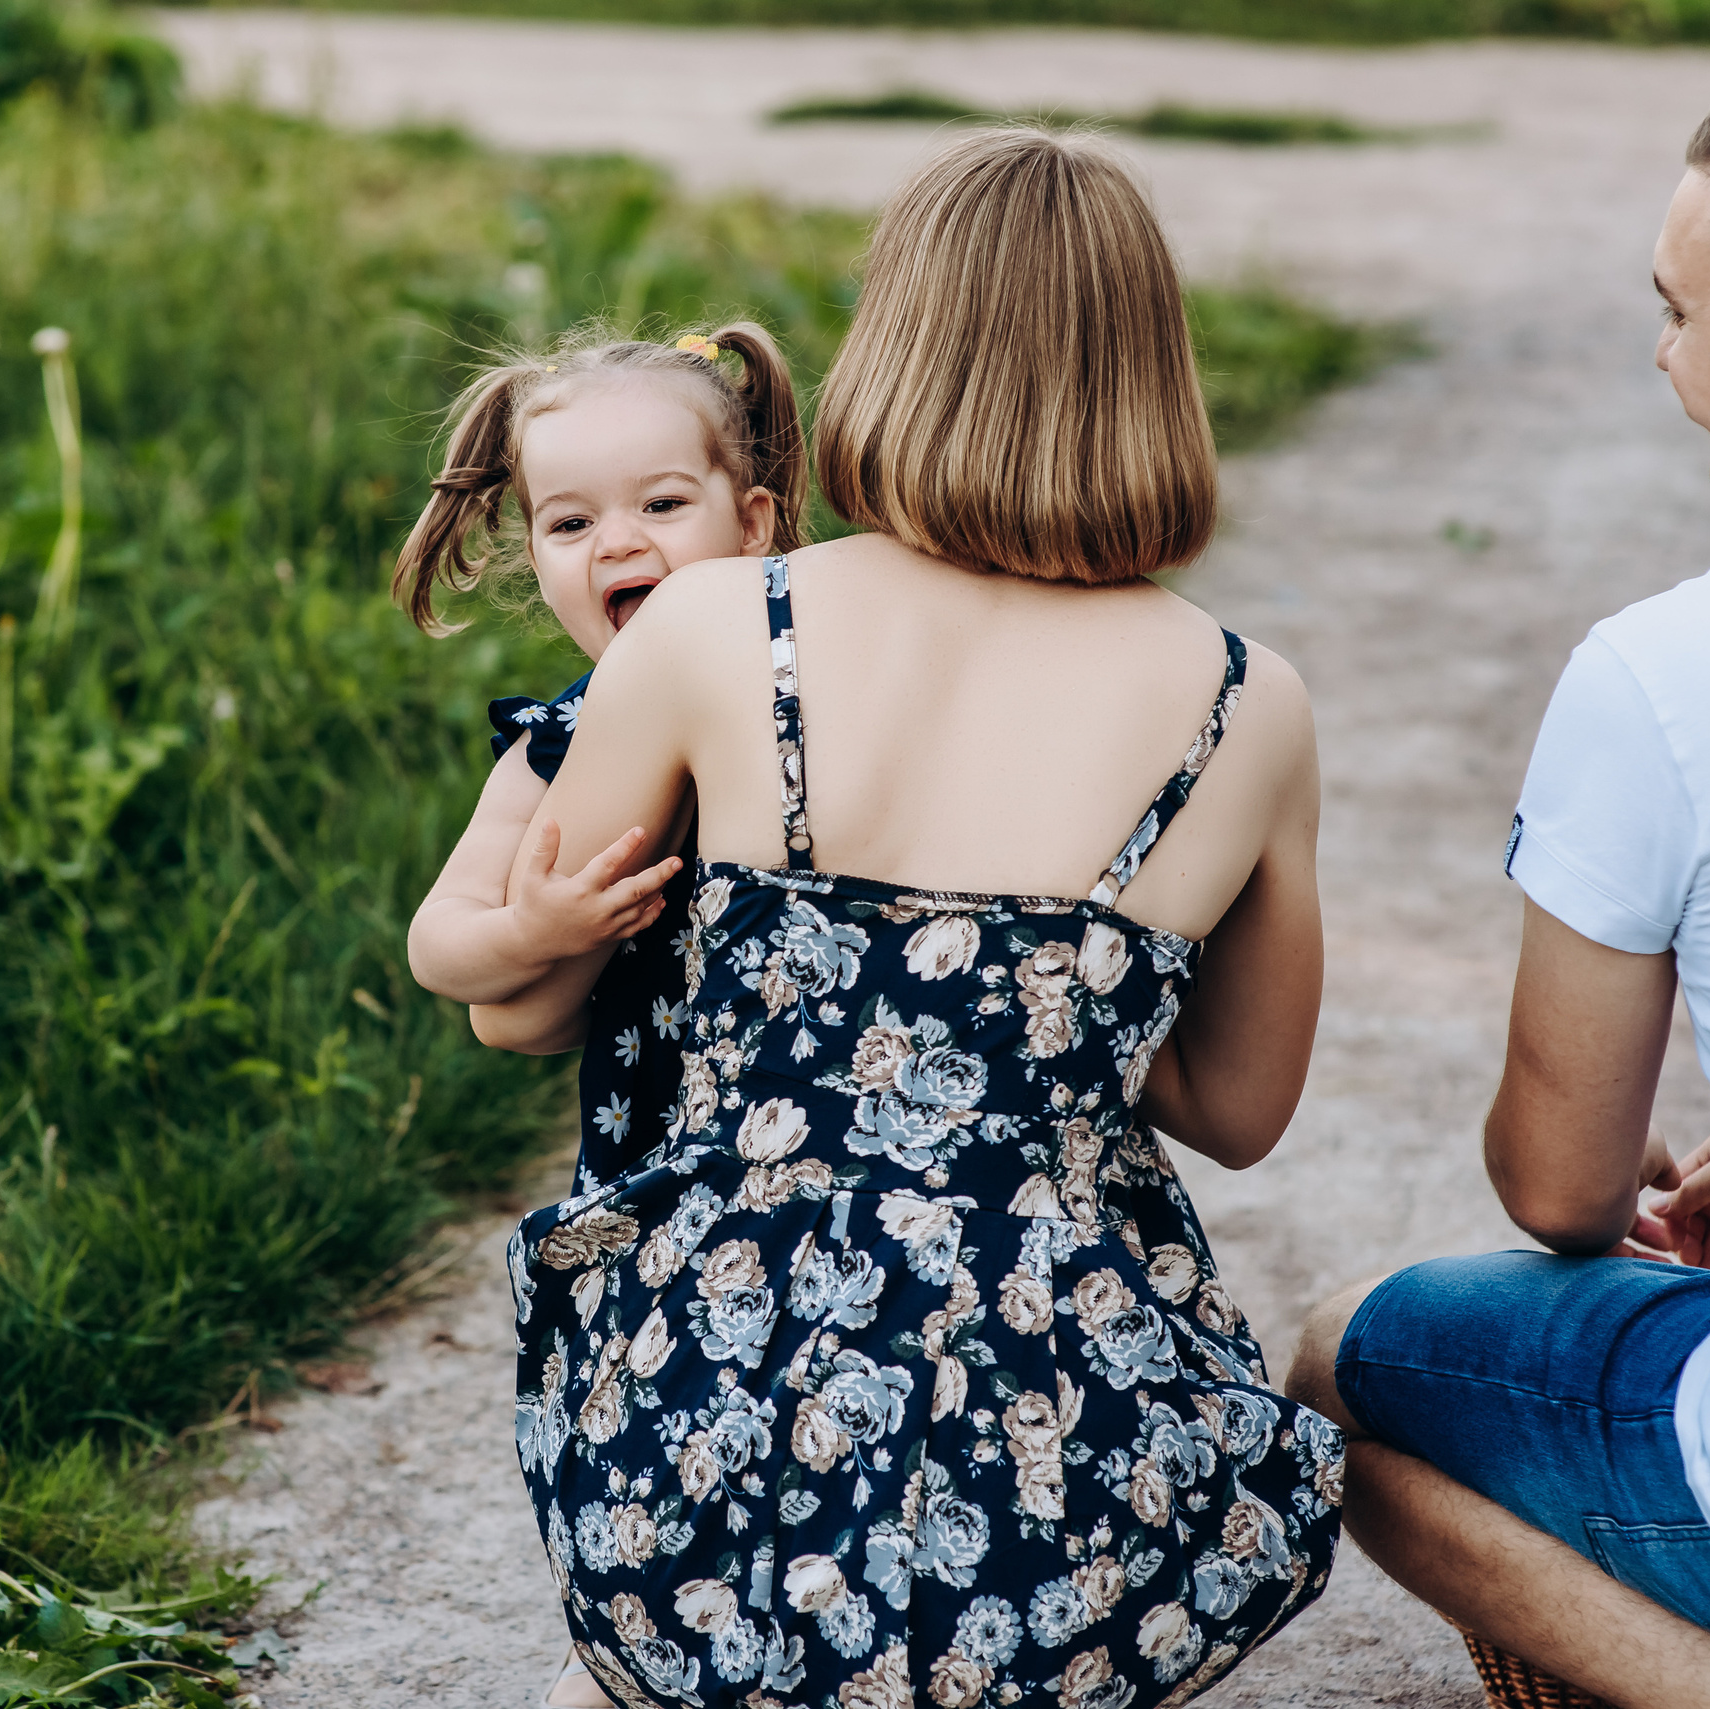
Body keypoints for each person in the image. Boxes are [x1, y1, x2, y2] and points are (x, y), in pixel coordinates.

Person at [474, 127, 1340, 1709]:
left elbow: (520, 1002)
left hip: (696, 1463)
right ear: (1156, 376)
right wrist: (1023, 1014)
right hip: (1072, 1513)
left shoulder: (726, 625)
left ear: (893, 345)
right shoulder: (1247, 705)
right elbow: (1239, 1110)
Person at [1286, 56, 1710, 1709]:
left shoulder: (1671, 668)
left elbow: (1566, 1192)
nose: (1662, 350)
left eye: (1679, 305)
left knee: (1340, 1369)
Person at [402, 324, 808, 1204]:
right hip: (664, 1150)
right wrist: (529, 934)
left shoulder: (814, 698)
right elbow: (437, 946)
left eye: (661, 506)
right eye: (573, 522)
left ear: (750, 524)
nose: (616, 542)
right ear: (537, 559)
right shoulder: (555, 746)